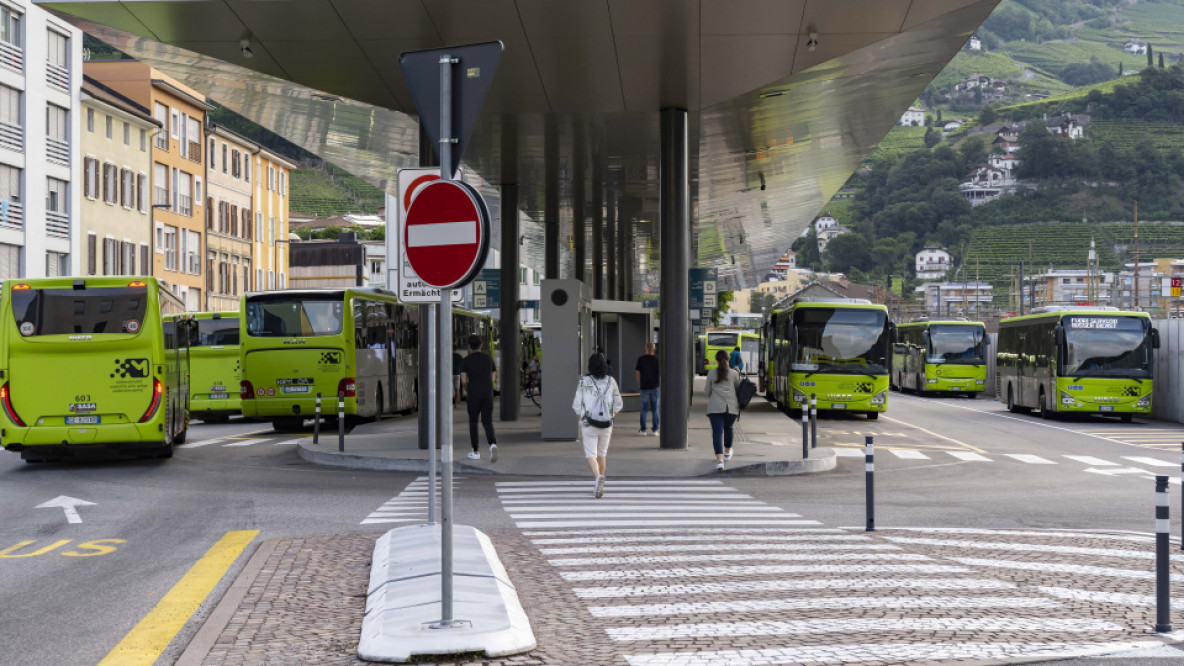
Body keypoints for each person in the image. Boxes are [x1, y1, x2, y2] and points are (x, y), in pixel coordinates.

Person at [572, 353, 623, 498]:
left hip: (588, 423)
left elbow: (576, 404)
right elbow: (618, 404)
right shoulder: (611, 381)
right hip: (607, 424)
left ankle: (597, 478)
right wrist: (610, 416)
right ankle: (600, 482)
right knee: (602, 455)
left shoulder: (584, 381)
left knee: (590, 455)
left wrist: (581, 418)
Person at [459, 335, 498, 462]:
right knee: (487, 421)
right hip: (487, 393)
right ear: (481, 345)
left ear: (469, 346)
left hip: (473, 393)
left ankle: (475, 451)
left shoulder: (466, 360)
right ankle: (492, 444)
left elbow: (463, 380)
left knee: (473, 422)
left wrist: (467, 388)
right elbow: (493, 378)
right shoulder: (488, 359)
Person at [706, 349, 741, 471]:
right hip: (731, 407)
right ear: (728, 360)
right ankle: (727, 453)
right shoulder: (734, 373)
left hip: (715, 407)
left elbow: (707, 391)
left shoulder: (711, 373)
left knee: (717, 433)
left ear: (716, 361)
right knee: (729, 428)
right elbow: (738, 388)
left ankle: (720, 461)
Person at [634, 342, 660, 436]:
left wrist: (639, 384)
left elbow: (637, 373)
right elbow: (660, 374)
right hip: (655, 387)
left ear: (646, 349)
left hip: (644, 387)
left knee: (643, 409)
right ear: (654, 349)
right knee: (655, 409)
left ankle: (643, 430)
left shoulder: (641, 359)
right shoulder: (657, 360)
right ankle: (655, 430)